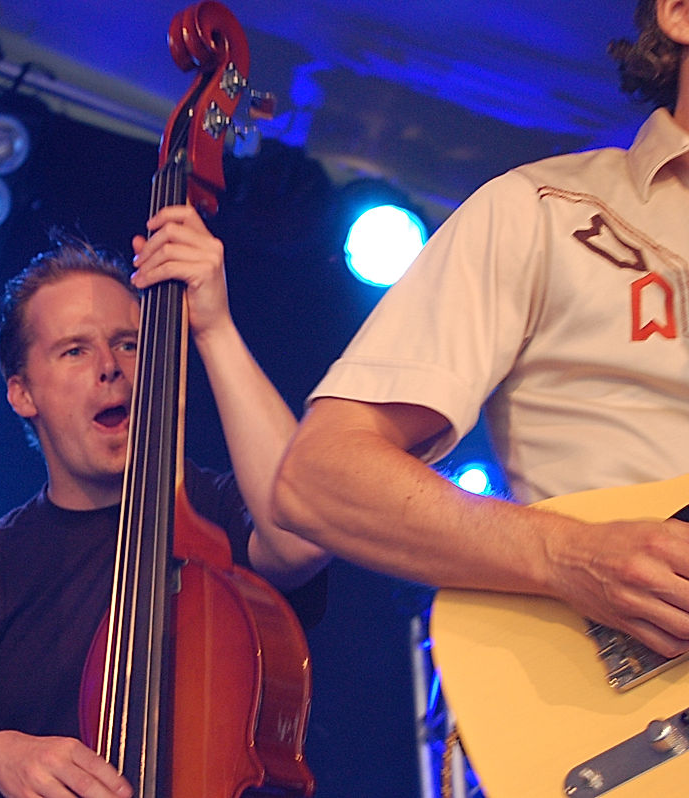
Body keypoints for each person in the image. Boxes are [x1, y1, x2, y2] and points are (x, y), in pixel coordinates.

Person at [271, 0, 689, 660]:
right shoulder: (542, 212)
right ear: (678, 13)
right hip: (633, 715)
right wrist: (570, 555)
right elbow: (320, 476)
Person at [0, 204, 330, 798]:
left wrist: (214, 328)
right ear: (22, 393)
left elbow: (304, 530)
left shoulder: (218, 511)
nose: (110, 369)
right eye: (74, 350)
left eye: (128, 344)